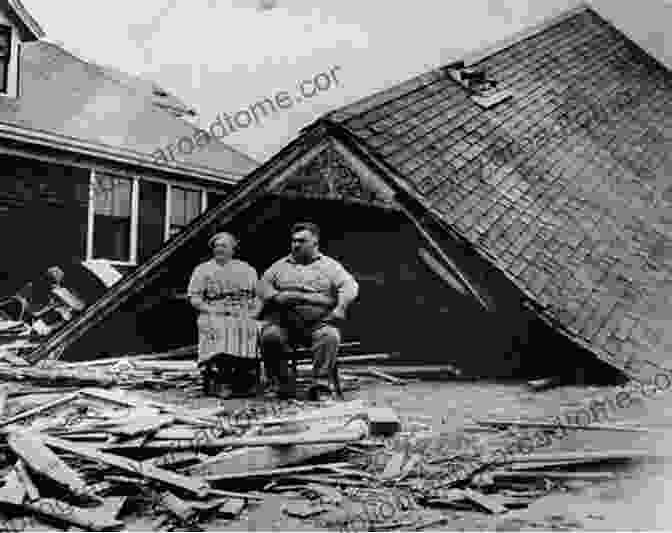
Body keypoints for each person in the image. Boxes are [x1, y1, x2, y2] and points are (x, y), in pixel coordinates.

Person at [257, 222, 359, 400]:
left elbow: (350, 285)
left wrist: (341, 307)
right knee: (269, 336)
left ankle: (320, 386)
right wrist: (275, 296)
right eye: (294, 241)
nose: (296, 245)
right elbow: (262, 285)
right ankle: (282, 384)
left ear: (315, 243)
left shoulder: (330, 266)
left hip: (317, 324)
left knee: (330, 336)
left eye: (302, 241)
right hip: (285, 324)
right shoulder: (280, 266)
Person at [187, 232, 262, 397]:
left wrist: (254, 313)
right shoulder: (203, 270)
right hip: (213, 311)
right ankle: (224, 379)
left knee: (250, 327)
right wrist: (213, 310)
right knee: (222, 326)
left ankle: (244, 379)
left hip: (243, 311)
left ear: (233, 249)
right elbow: (195, 298)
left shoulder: (247, 269)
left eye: (224, 246)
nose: (219, 249)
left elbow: (258, 296)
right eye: (217, 246)